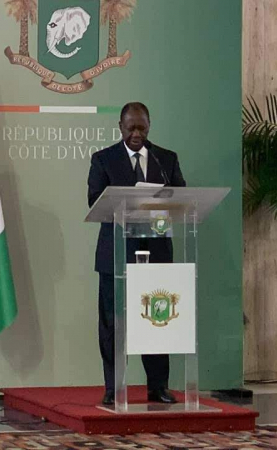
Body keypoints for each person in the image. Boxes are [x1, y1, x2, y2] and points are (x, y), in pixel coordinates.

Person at [87, 102, 187, 405]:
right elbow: (94, 201)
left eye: (141, 127)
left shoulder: (165, 158)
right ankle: (112, 387)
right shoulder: (103, 159)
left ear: (149, 126)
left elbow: (181, 198)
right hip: (115, 255)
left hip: (155, 253)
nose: (136, 134)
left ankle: (158, 387)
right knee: (113, 324)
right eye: (130, 127)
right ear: (120, 127)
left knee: (157, 321)